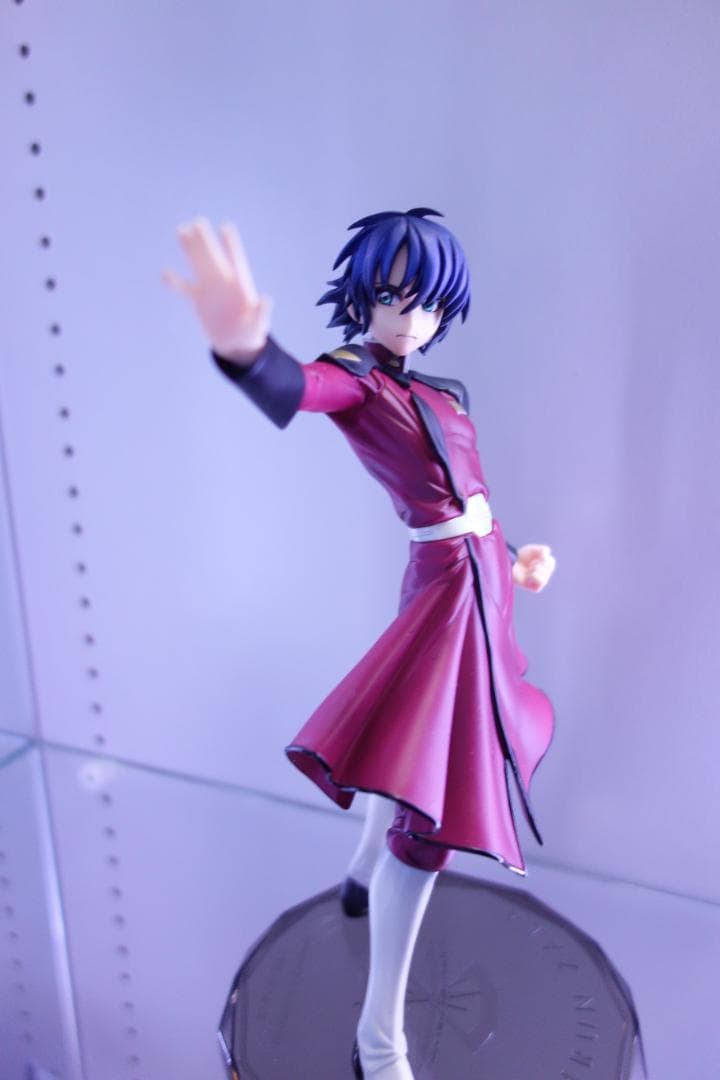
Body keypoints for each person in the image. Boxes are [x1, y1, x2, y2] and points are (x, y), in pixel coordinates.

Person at [165, 209, 556, 1080]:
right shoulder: (359, 383)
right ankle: (379, 1039)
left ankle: (357, 868)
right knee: (431, 815)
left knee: (416, 738)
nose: (413, 318)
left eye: (429, 303)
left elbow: (470, 494)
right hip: (445, 592)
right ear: (364, 298)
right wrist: (244, 351)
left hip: (482, 586)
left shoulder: (446, 395)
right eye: (394, 297)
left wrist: (514, 555)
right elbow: (297, 387)